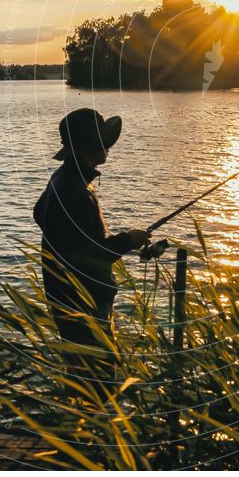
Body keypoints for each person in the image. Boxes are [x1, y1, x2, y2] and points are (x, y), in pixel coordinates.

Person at [33, 108, 150, 398]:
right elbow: (97, 253)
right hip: (83, 303)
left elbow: (39, 214)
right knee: (97, 383)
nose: (108, 147)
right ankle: (92, 438)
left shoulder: (61, 179)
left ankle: (77, 430)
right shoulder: (77, 190)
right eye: (103, 141)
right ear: (93, 146)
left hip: (64, 296)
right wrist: (129, 240)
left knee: (78, 374)